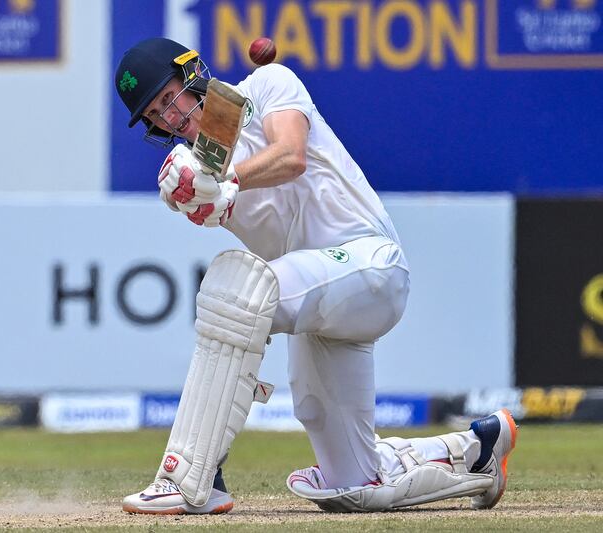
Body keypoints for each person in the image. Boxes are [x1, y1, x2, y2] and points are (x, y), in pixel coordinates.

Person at [114, 37, 517, 515]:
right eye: (156, 116)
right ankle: (474, 454)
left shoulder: (267, 83)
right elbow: (210, 191)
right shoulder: (205, 164)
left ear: (194, 74)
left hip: (368, 265)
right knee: (355, 487)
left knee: (239, 291)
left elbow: (291, 155)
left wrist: (225, 183)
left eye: (168, 98)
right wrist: (190, 196)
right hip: (320, 307)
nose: (169, 118)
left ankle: (192, 476)